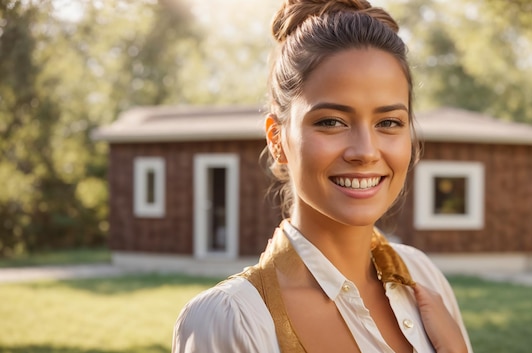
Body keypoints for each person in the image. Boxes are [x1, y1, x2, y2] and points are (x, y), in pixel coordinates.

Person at [172, 0, 473, 352]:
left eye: (388, 123)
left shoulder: (421, 275)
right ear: (277, 139)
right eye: (331, 122)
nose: (365, 151)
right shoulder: (230, 320)